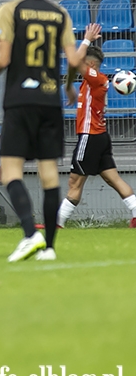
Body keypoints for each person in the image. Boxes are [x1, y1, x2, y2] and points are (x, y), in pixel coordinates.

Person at [0, 0, 81, 262]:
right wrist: (69, 86)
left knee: (12, 171)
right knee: (48, 175)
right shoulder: (59, 13)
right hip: (50, 99)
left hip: (20, 98)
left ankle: (31, 233)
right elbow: (73, 61)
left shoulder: (10, 10)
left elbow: (3, 59)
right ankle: (50, 248)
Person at [59, 24, 136, 229]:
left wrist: (86, 40)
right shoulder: (92, 81)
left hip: (90, 136)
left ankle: (57, 224)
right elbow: (73, 66)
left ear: (91, 64)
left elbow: (74, 61)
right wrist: (68, 87)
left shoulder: (96, 80)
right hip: (100, 136)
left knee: (75, 182)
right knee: (113, 179)